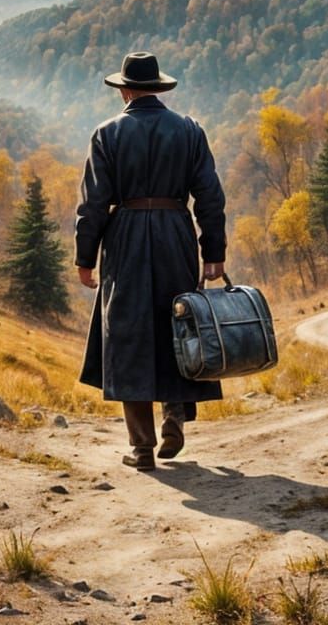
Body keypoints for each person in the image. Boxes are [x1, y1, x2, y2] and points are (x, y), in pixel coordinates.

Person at [75, 50, 227, 471]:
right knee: (178, 323)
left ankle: (142, 448)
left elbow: (93, 205)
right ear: (159, 88)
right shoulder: (190, 131)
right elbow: (210, 196)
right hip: (176, 235)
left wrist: (84, 258)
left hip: (124, 238)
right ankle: (175, 415)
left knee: (127, 334)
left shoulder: (107, 134)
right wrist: (213, 254)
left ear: (123, 90)